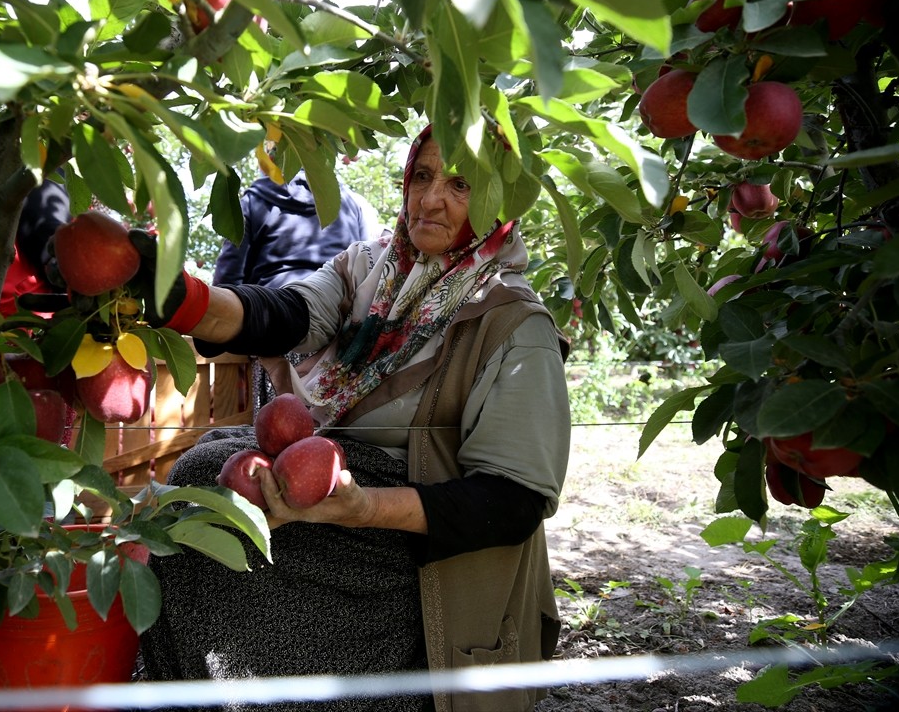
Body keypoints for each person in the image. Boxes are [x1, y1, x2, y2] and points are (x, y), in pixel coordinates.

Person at [134, 124, 572, 712]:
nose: (430, 198)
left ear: (499, 203)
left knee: (210, 515)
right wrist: (173, 292)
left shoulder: (513, 323)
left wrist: (363, 508)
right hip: (326, 511)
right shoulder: (370, 269)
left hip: (409, 561)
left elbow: (511, 501)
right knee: (197, 484)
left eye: (461, 184)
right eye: (422, 176)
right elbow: (283, 314)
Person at [212, 164, 385, 289]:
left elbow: (228, 277)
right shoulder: (354, 204)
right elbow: (367, 270)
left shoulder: (253, 201)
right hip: (336, 318)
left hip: (270, 313)